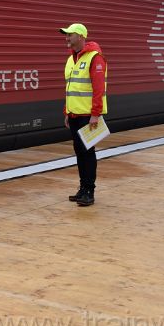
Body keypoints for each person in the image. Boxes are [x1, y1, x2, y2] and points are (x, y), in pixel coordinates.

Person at [60, 22, 107, 207]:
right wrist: (67, 111)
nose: (66, 38)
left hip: (88, 116)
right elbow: (70, 88)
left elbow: (98, 89)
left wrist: (95, 114)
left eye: (69, 34)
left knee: (87, 152)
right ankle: (82, 188)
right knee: (79, 152)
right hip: (74, 115)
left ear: (80, 36)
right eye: (66, 34)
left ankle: (89, 191)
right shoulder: (71, 59)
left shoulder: (95, 58)